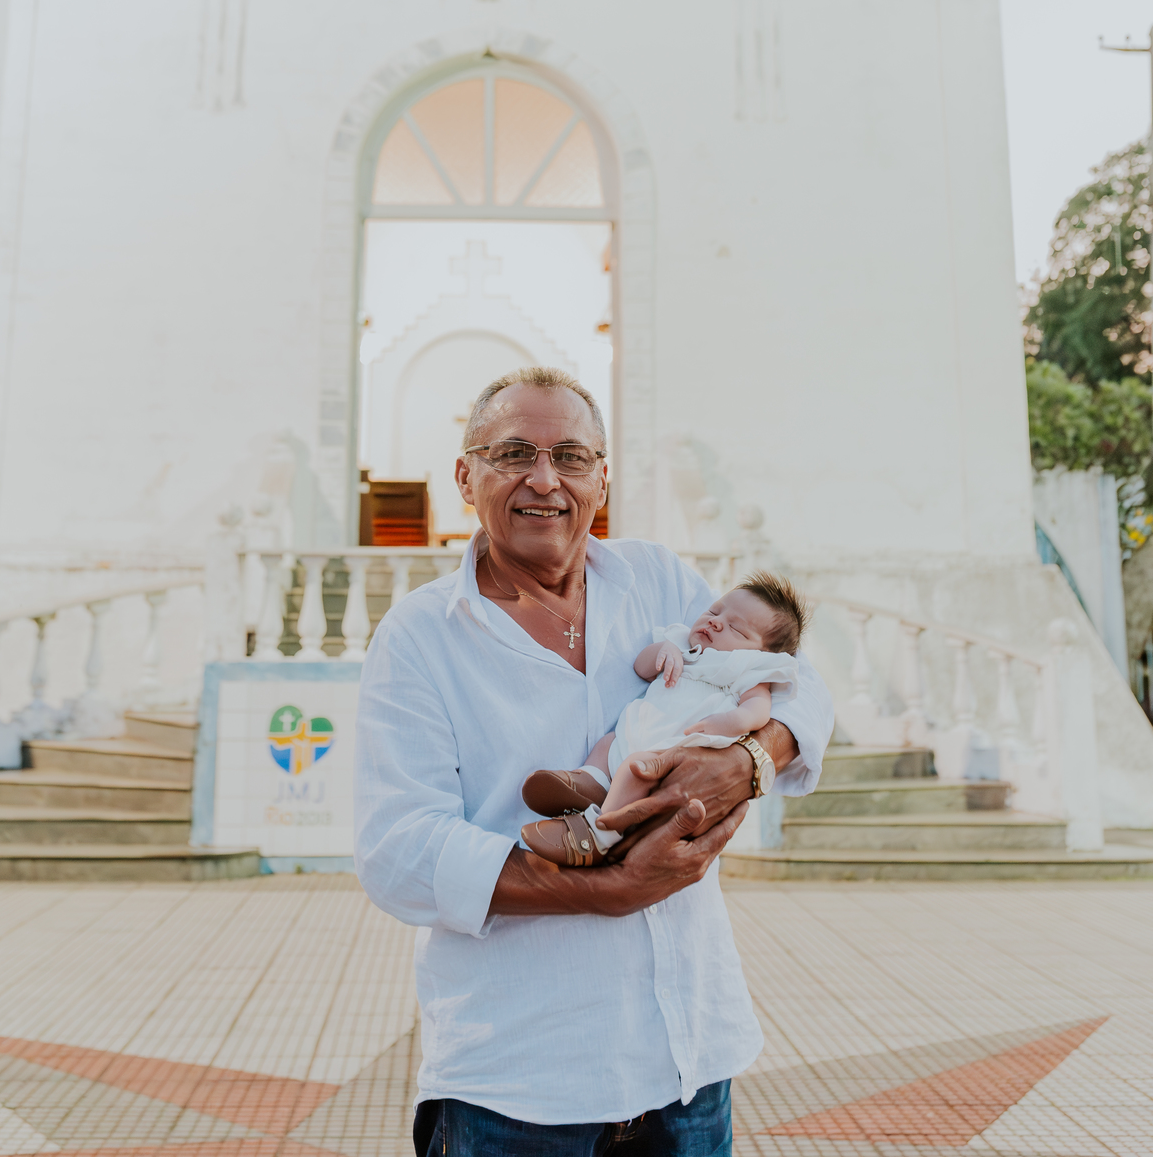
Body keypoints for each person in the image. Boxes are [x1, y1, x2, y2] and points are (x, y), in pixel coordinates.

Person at [353, 366, 834, 1156]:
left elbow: (794, 681)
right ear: (465, 475)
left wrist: (751, 758)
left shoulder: (659, 582)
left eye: (571, 456)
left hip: (689, 1064)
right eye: (514, 452)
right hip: (518, 1085)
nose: (545, 479)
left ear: (602, 477)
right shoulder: (419, 636)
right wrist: (605, 890)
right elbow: (398, 851)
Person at [520, 573, 806, 867]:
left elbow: (758, 708)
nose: (716, 622)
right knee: (608, 743)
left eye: (736, 629)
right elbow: (642, 668)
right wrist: (663, 651)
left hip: (673, 748)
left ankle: (597, 834)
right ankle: (590, 781)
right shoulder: (680, 643)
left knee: (636, 770)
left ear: (762, 654)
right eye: (714, 611)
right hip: (639, 729)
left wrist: (734, 721)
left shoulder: (744, 669)